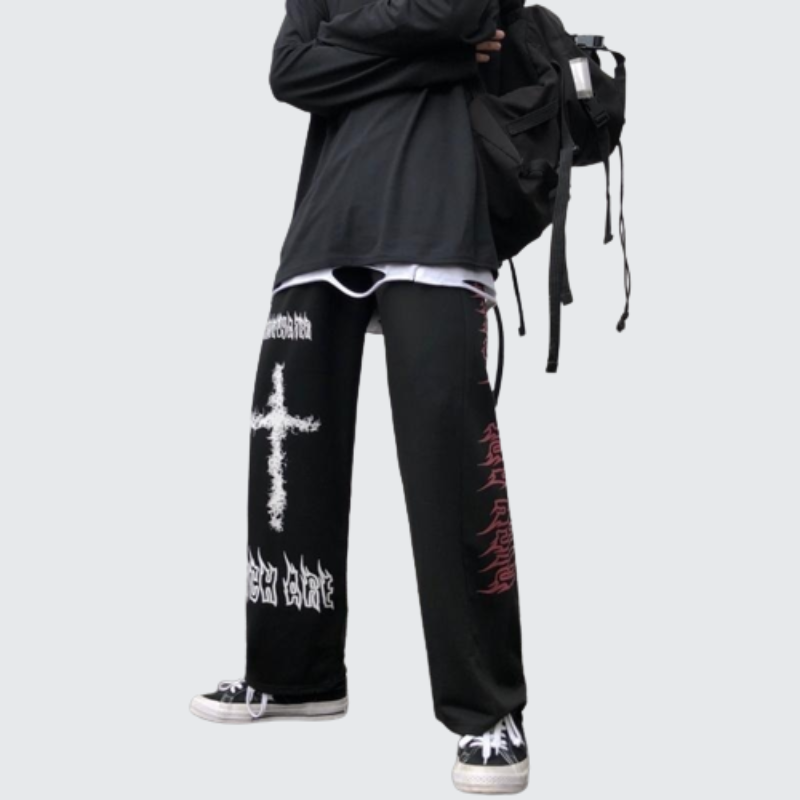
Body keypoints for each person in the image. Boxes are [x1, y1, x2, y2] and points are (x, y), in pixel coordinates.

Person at [190, 1, 529, 793]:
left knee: (449, 462)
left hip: (437, 216)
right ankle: (294, 674)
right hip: (325, 222)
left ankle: (489, 711)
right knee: (286, 446)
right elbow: (291, 72)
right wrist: (445, 56)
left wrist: (347, 35)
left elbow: (461, 9)